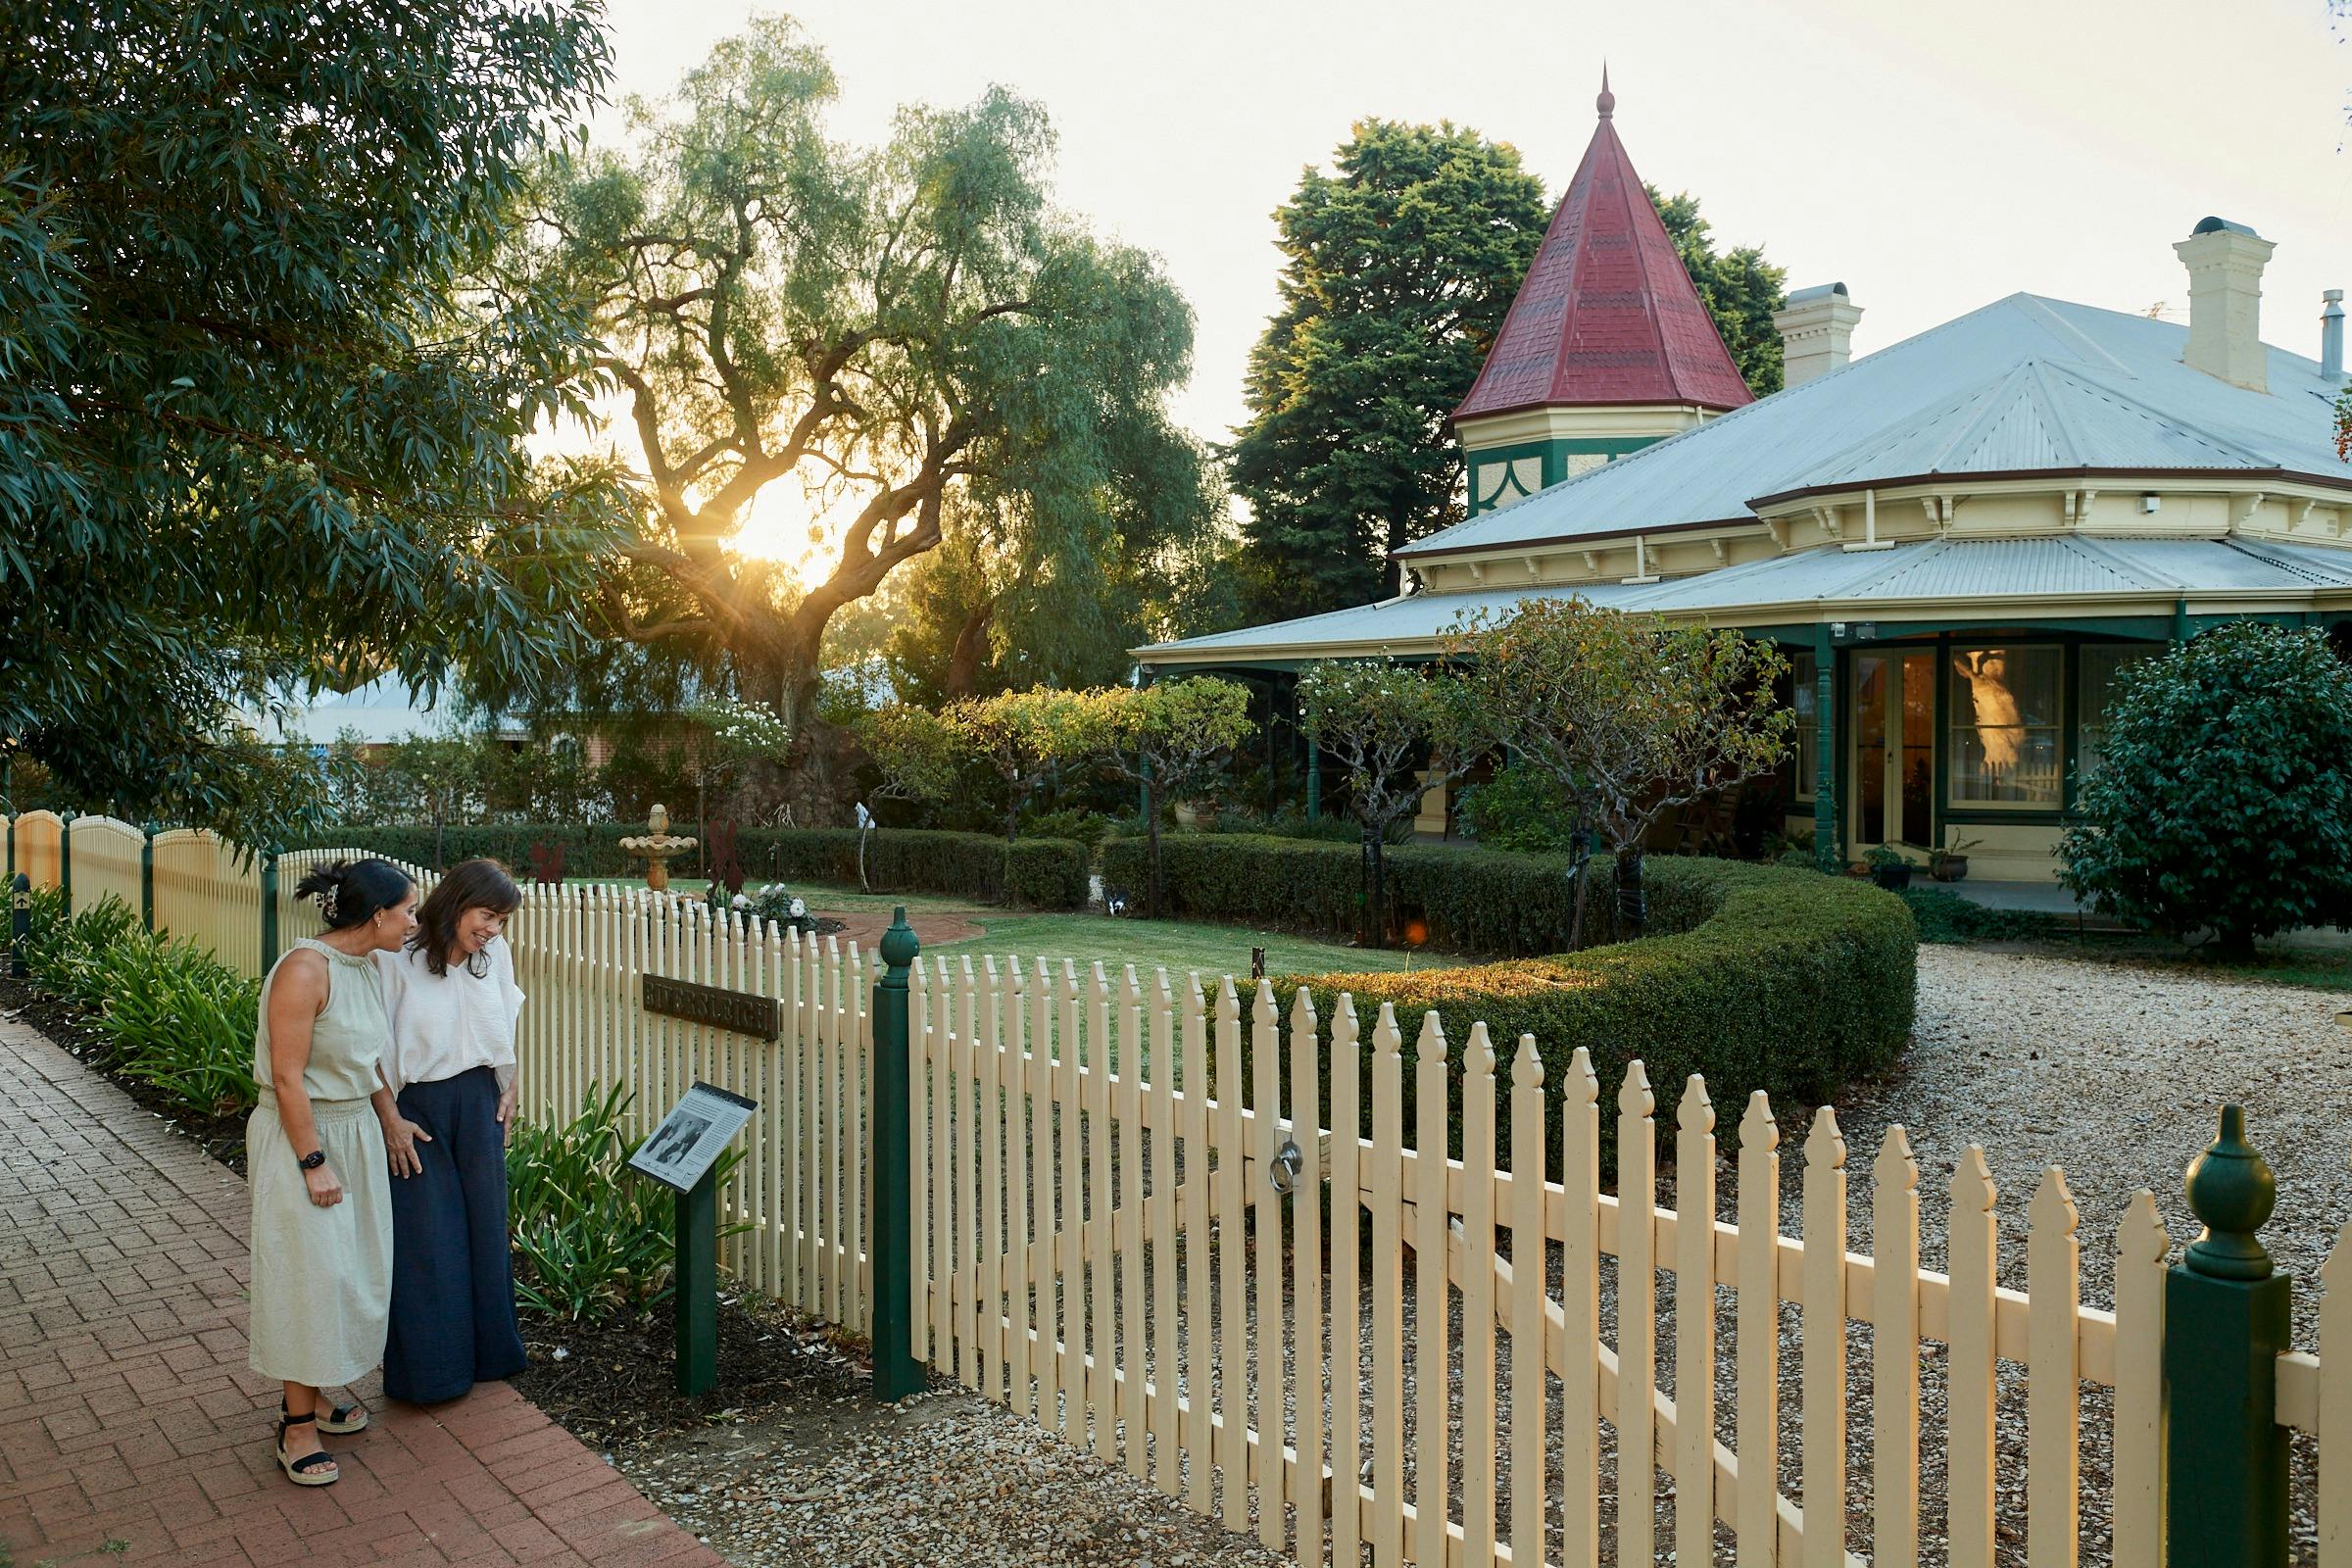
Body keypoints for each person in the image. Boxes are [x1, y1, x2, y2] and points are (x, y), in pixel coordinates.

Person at [248, 858, 418, 1487]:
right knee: (309, 1275)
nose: (413, 921)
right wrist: (312, 1162)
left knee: (346, 1270)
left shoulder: (365, 965)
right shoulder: (304, 970)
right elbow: (289, 1078)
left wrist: (391, 1119)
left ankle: (316, 1394)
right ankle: (296, 1427)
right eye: (407, 911)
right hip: (304, 1134)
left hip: (356, 1131)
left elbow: (366, 1061)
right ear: (377, 915)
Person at [374, 858, 529, 1405]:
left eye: (501, 920)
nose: (491, 929)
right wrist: (389, 1116)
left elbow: (504, 1021)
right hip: (418, 1109)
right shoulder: (398, 958)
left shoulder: (496, 956)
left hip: (481, 1099)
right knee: (427, 1238)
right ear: (457, 902)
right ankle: (432, 1373)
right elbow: (373, 1045)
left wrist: (510, 1086)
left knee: (487, 1226)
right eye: (486, 914)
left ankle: (492, 1355)